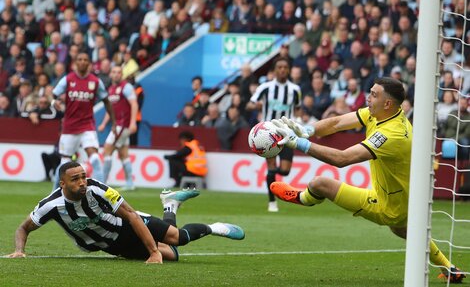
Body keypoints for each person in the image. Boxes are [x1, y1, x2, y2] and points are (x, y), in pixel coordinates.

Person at [269, 77, 465, 283]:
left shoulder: (392, 134)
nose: (368, 98)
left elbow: (342, 158)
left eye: (373, 94)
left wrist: (298, 143)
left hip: (388, 205)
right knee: (404, 230)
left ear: (387, 103)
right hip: (405, 199)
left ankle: (301, 197)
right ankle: (450, 268)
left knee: (320, 183)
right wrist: (309, 129)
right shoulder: (382, 113)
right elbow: (336, 123)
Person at [6, 161, 244, 263]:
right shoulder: (51, 205)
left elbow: (130, 214)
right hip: (113, 246)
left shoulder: (98, 190)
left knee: (177, 238)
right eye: (75, 179)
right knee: (172, 255)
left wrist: (152, 252)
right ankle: (170, 205)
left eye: (83, 177)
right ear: (62, 184)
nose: (82, 182)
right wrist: (19, 251)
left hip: (130, 225)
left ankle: (214, 228)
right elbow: (23, 228)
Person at [51, 52, 116, 190]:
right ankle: (55, 193)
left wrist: (114, 122)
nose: (82, 61)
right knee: (64, 162)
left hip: (87, 125)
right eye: (79, 59)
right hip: (69, 127)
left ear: (89, 63)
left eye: (85, 59)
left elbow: (106, 101)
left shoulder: (95, 81)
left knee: (96, 159)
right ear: (75, 62)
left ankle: (103, 194)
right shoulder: (68, 79)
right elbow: (54, 94)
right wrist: (54, 102)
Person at [246, 56, 302, 212]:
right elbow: (250, 104)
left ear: (289, 70)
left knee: (285, 170)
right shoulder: (265, 87)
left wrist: (298, 121)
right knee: (271, 167)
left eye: (285, 67)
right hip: (268, 134)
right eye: (280, 67)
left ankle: (270, 176)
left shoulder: (295, 90)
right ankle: (272, 202)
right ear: (275, 70)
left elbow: (298, 108)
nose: (283, 70)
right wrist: (255, 106)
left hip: (288, 133)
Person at [98, 66, 138, 191]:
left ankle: (103, 183)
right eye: (114, 72)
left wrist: (133, 123)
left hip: (123, 124)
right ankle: (130, 183)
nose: (116, 74)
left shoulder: (126, 87)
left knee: (107, 150)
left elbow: (134, 104)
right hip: (118, 125)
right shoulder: (111, 89)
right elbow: (110, 110)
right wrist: (104, 123)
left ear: (122, 74)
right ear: (110, 74)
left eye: (119, 72)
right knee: (123, 154)